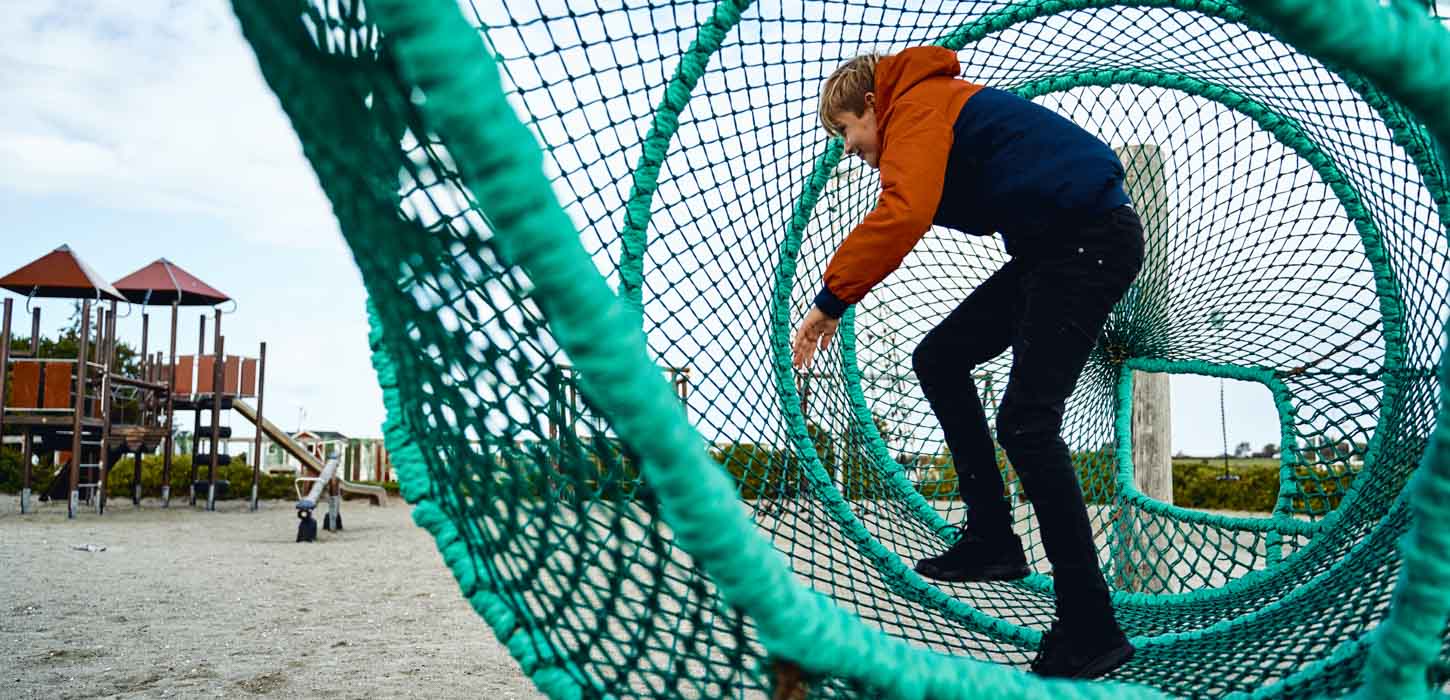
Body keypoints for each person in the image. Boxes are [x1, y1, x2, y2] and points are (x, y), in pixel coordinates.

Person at [789, 46, 1143, 679]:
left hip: (1088, 241)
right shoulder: (927, 113)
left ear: (871, 104)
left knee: (1027, 425)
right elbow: (934, 197)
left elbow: (906, 211)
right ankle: (992, 537)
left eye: (846, 130)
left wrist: (830, 303)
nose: (848, 147)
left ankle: (1091, 627)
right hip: (1053, 248)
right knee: (940, 358)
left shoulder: (918, 103)